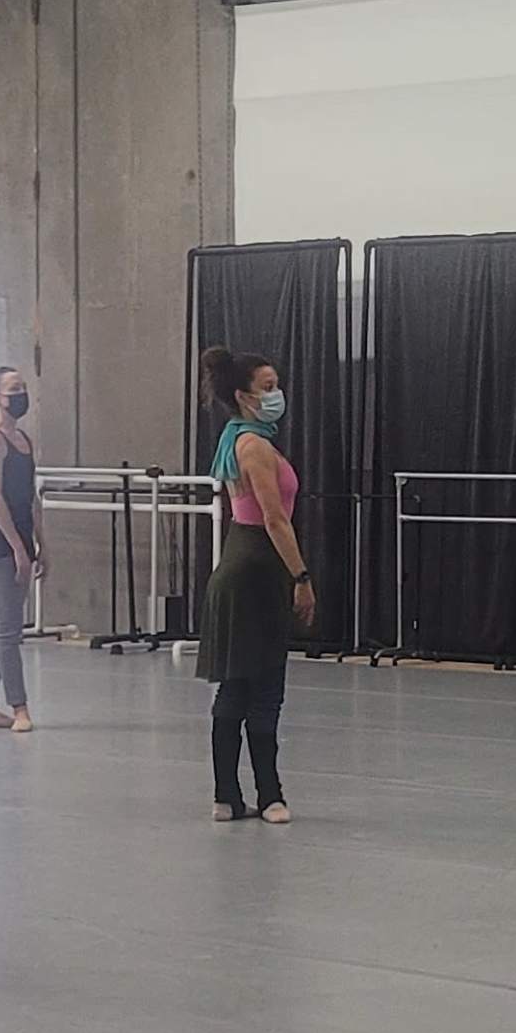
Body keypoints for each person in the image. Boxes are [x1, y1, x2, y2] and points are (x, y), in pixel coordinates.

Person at [199, 347, 313, 824]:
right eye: (267, 388)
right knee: (264, 688)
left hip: (236, 561)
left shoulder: (235, 439)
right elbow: (273, 519)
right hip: (256, 568)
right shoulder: (255, 447)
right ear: (244, 397)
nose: (277, 394)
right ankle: (270, 795)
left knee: (236, 687)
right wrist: (301, 576)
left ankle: (227, 795)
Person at [0, 365, 44, 732]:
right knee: (10, 629)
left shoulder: (24, 440)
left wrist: (40, 542)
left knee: (2, 623)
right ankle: (19, 706)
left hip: (21, 537)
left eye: (23, 387)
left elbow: (30, 497)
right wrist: (17, 547)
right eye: (13, 388)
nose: (21, 394)